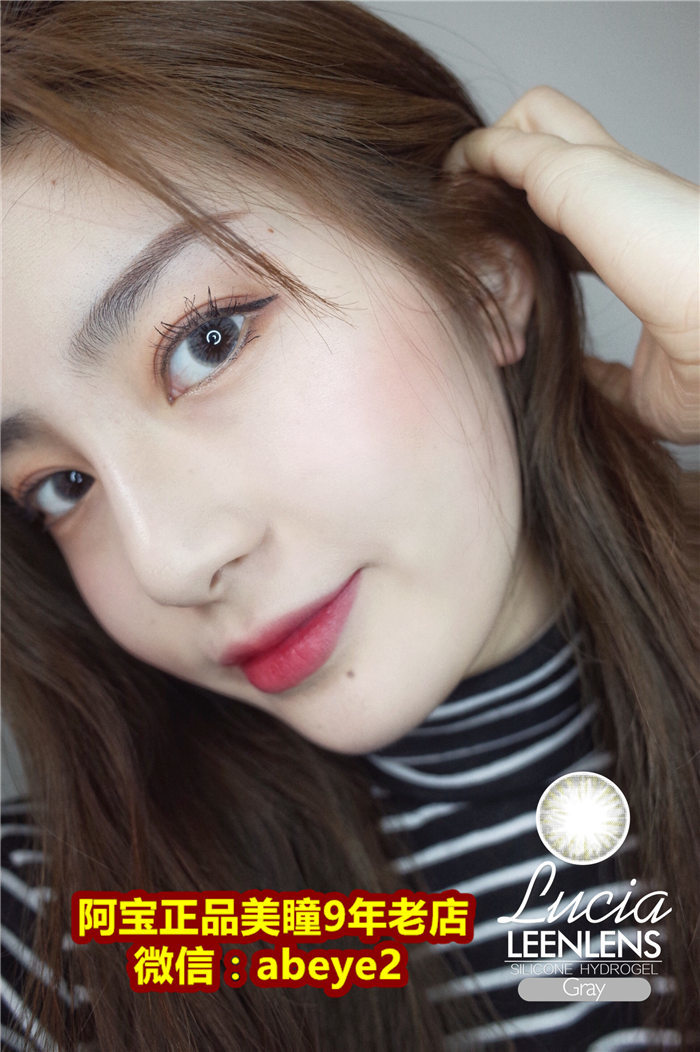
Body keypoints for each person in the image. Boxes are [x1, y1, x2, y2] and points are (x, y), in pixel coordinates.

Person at [1, 2, 697, 1050]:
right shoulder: (60, 943)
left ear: (482, 275)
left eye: (206, 340)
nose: (169, 562)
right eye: (60, 486)